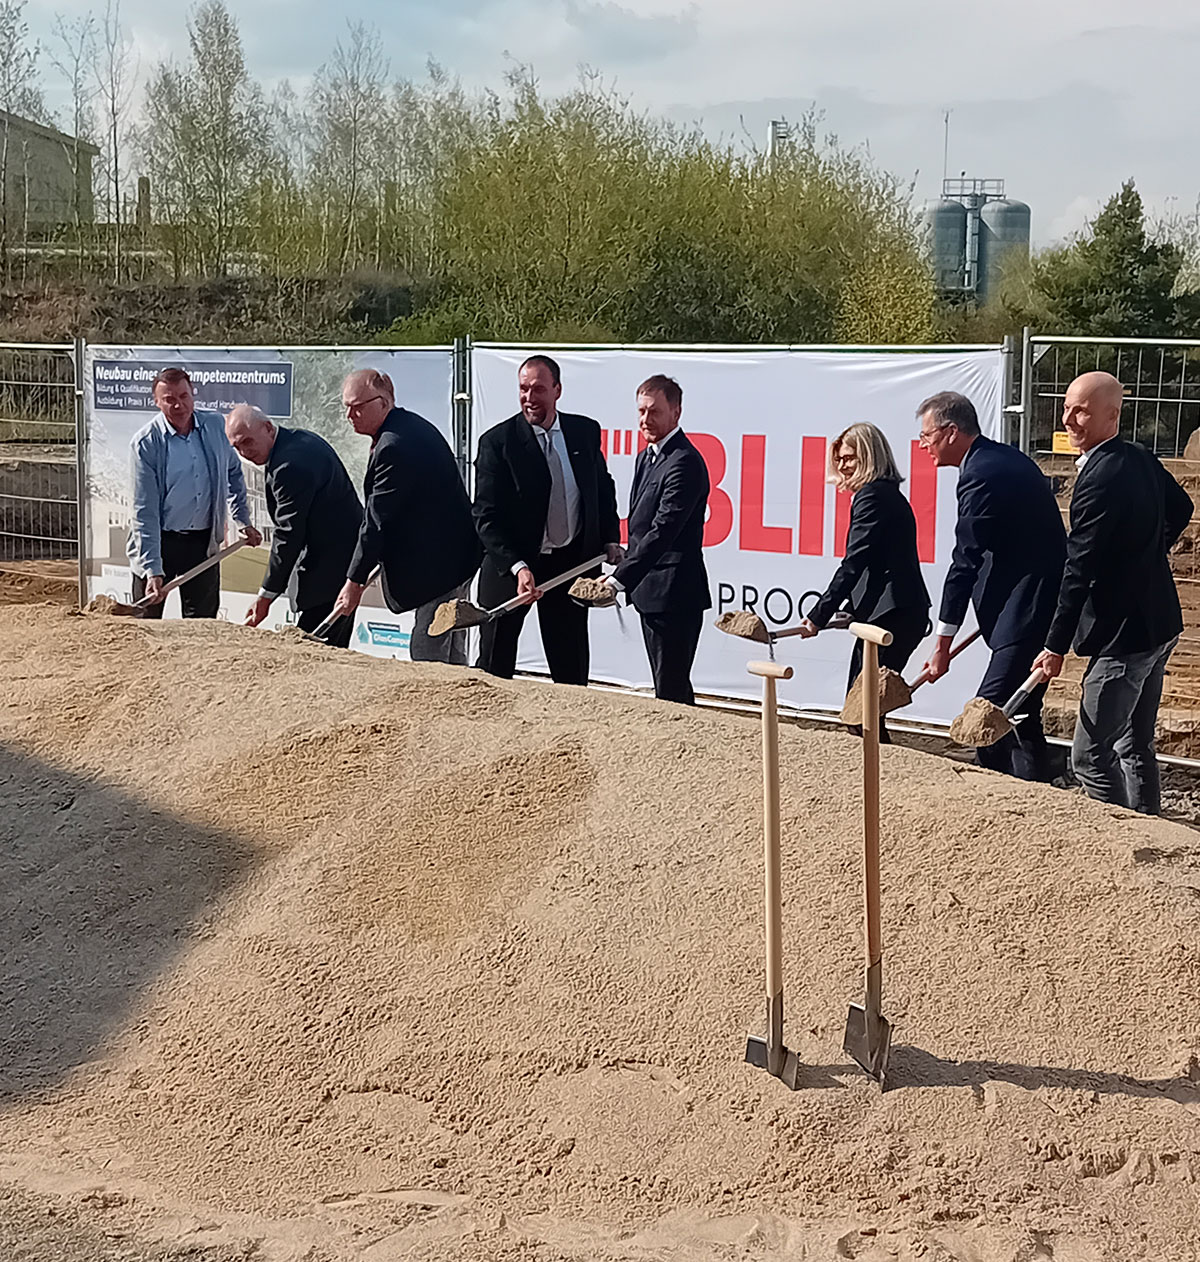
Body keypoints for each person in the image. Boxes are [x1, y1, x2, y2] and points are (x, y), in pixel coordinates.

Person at [1033, 372, 1193, 815]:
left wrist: (1054, 645)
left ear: (1112, 415)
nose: (1069, 419)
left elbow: (1078, 569)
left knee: (1088, 756)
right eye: (1067, 407)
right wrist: (1149, 553)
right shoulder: (1139, 457)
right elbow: (1183, 508)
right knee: (1134, 743)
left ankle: (1123, 844)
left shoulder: (1099, 479)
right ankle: (1153, 832)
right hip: (1160, 624)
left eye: (1081, 410)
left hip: (1125, 638)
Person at [918, 391, 1066, 781]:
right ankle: (1035, 790)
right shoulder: (1000, 459)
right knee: (1023, 713)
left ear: (951, 432)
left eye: (927, 436)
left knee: (987, 716)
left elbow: (965, 560)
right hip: (1024, 605)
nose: (923, 445)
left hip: (1027, 609)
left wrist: (942, 645)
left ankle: (997, 797)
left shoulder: (981, 474)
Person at [472, 354, 622, 685]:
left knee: (571, 671)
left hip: (569, 566)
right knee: (493, 671)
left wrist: (610, 536)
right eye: (523, 389)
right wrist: (518, 567)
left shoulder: (584, 431)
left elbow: (601, 488)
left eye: (538, 389)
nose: (529, 398)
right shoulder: (497, 443)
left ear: (557, 390)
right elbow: (485, 515)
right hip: (511, 570)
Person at [330, 369, 481, 664]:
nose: (350, 414)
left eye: (357, 406)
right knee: (450, 651)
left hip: (440, 566)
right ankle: (456, 705)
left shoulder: (394, 446)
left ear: (384, 402)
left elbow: (377, 521)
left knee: (428, 653)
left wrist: (354, 582)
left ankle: (438, 709)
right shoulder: (409, 427)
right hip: (453, 558)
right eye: (346, 406)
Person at [798, 423, 930, 742]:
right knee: (864, 711)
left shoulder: (872, 497)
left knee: (862, 712)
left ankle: (878, 778)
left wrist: (819, 615)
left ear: (869, 457)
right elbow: (876, 562)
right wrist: (848, 609)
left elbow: (855, 561)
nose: (842, 466)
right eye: (840, 459)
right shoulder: (884, 495)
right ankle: (874, 773)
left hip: (892, 617)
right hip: (892, 613)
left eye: (850, 458)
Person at [600, 375, 710, 704]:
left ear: (676, 412)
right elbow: (641, 525)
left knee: (672, 690)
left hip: (674, 595)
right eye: (641, 411)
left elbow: (663, 531)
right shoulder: (647, 456)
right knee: (667, 686)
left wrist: (618, 580)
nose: (646, 419)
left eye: (655, 411)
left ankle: (684, 752)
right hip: (651, 593)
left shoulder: (684, 462)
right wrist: (624, 555)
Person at [224, 405, 363, 648]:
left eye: (247, 441)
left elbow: (288, 535)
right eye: (237, 447)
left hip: (331, 571)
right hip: (336, 564)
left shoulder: (290, 465)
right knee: (328, 651)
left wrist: (265, 597)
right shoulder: (297, 441)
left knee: (314, 652)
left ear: (268, 428)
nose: (244, 452)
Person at [127, 367, 261, 618]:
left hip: (202, 545)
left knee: (203, 626)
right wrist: (153, 569)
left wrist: (242, 521)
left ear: (193, 395)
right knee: (145, 625)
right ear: (156, 402)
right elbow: (143, 512)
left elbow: (233, 473)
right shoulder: (145, 444)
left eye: (184, 396)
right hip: (159, 544)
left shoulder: (215, 427)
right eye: (169, 399)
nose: (179, 405)